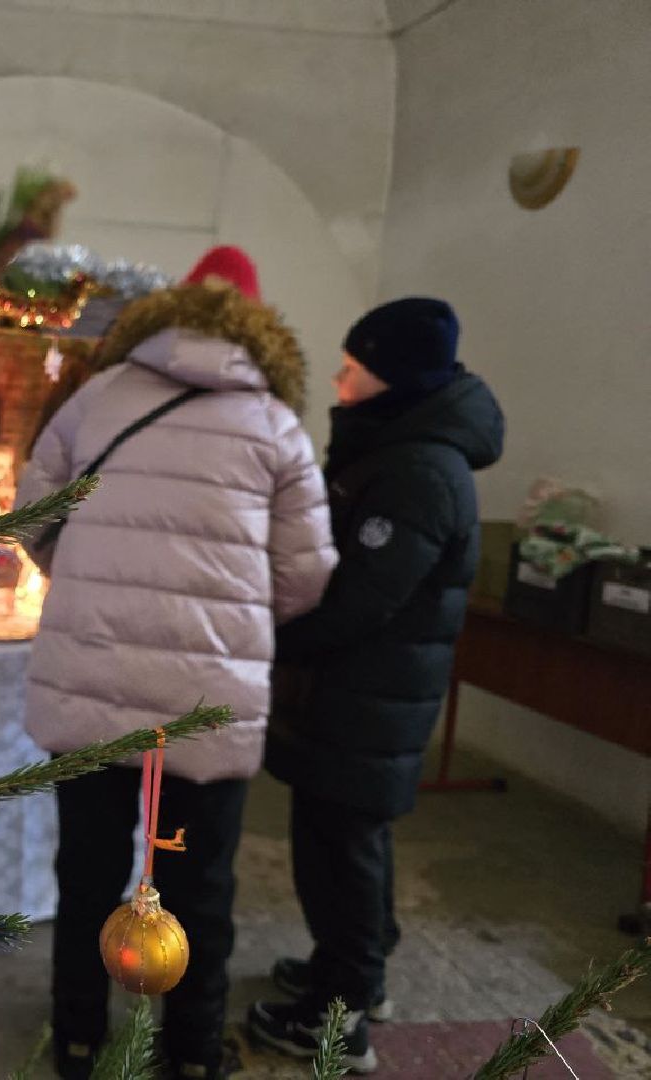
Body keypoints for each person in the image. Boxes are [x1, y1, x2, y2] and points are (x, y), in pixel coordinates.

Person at [15, 245, 337, 1080]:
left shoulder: (98, 396)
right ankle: (191, 1053)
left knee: (85, 875)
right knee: (200, 889)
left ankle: (79, 1042)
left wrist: (86, 583)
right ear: (260, 326)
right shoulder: (275, 425)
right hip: (206, 700)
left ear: (171, 311)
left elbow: (31, 518)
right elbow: (307, 576)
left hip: (88, 682)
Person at [247, 298, 505, 1074]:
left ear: (392, 379)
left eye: (353, 369)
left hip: (367, 696)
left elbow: (359, 600)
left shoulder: (420, 469)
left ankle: (339, 1018)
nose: (337, 380)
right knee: (346, 842)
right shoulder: (401, 450)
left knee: (341, 850)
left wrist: (268, 636)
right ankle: (352, 975)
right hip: (357, 694)